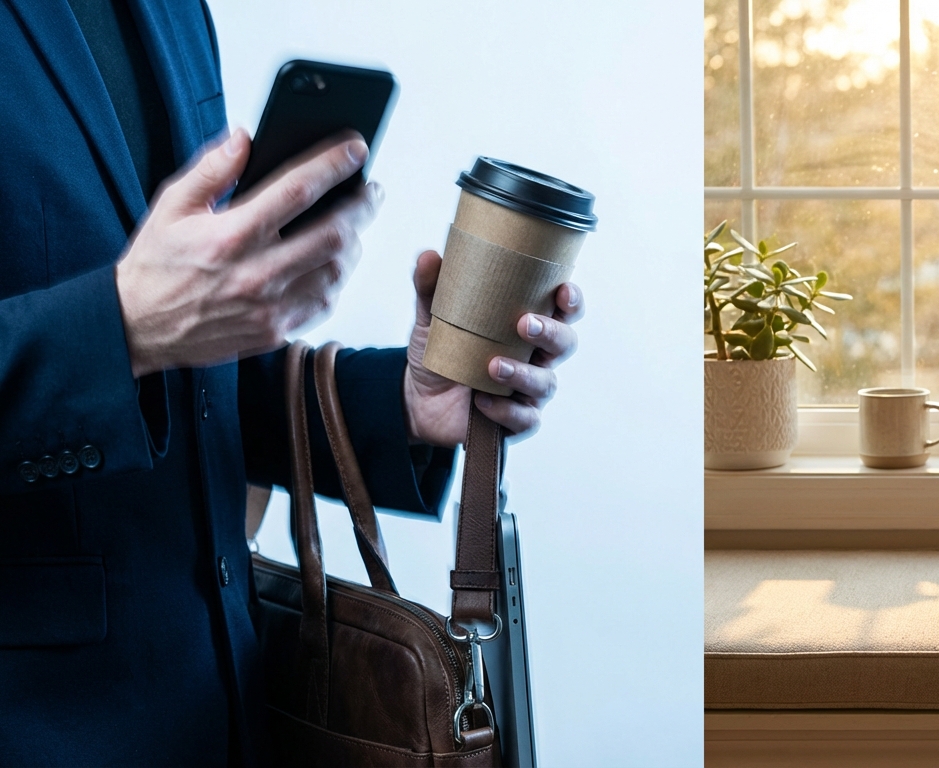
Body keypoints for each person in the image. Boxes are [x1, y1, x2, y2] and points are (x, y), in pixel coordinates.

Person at [0, 0, 581, 765]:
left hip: (227, 712)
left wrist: (403, 402)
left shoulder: (174, 11)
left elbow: (185, 379)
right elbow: (138, 329)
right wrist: (123, 324)